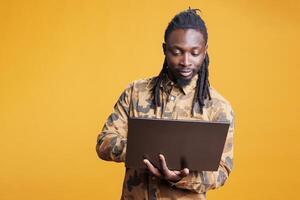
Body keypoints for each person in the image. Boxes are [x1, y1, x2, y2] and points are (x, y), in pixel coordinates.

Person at [96, 8, 235, 200]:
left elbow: (222, 171)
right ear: (164, 49)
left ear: (205, 51)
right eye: (177, 52)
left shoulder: (219, 107)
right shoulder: (135, 92)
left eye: (194, 53)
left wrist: (178, 177)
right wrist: (145, 151)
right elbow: (104, 142)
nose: (186, 61)